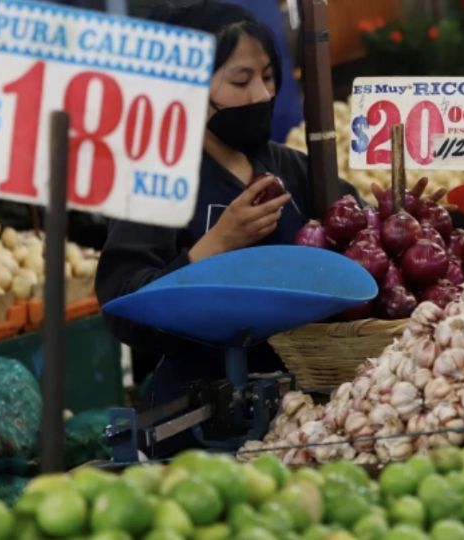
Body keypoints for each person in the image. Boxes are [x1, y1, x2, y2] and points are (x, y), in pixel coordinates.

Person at [95, 1, 358, 451]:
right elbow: (123, 307)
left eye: (268, 76)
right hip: (198, 421)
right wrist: (216, 244)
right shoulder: (158, 184)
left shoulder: (297, 171)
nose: (261, 95)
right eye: (241, 80)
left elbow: (364, 248)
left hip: (307, 409)